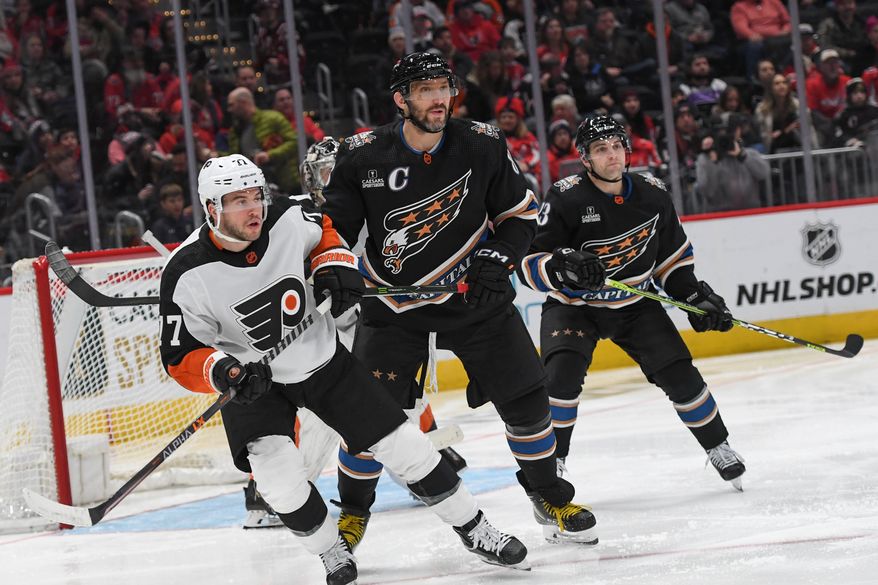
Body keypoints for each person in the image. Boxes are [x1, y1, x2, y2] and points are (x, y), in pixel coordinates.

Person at [159, 154, 529, 584]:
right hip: (253, 385)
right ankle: (330, 549)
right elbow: (180, 356)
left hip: (320, 362)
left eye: (256, 196)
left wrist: (333, 264)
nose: (254, 208)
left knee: (405, 445)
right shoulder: (184, 272)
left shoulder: (289, 216)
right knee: (279, 484)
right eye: (239, 201)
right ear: (212, 208)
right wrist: (224, 371)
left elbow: (325, 234)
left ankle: (476, 529)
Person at [321, 52, 598, 548]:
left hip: (474, 296)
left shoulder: (482, 142)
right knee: (366, 418)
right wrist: (334, 267)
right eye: (424, 90)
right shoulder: (363, 155)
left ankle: (548, 494)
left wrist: (499, 257)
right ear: (400, 99)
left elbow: (518, 216)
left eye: (443, 88)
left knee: (527, 400)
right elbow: (333, 231)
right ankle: (353, 513)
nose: (438, 99)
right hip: (395, 308)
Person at [518, 115, 746, 490]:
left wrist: (694, 296)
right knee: (560, 379)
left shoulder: (653, 193)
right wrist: (564, 267)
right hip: (574, 307)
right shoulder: (565, 197)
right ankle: (552, 464)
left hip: (635, 303)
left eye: (617, 147)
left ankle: (718, 445)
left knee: (679, 372)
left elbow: (672, 261)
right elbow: (530, 263)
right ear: (585, 159)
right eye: (600, 149)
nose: (612, 155)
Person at [696, 124, 770, 211]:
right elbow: (707, 191)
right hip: (719, 212)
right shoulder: (706, 159)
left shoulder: (749, 154)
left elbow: (764, 173)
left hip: (750, 210)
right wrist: (712, 162)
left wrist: (742, 156)